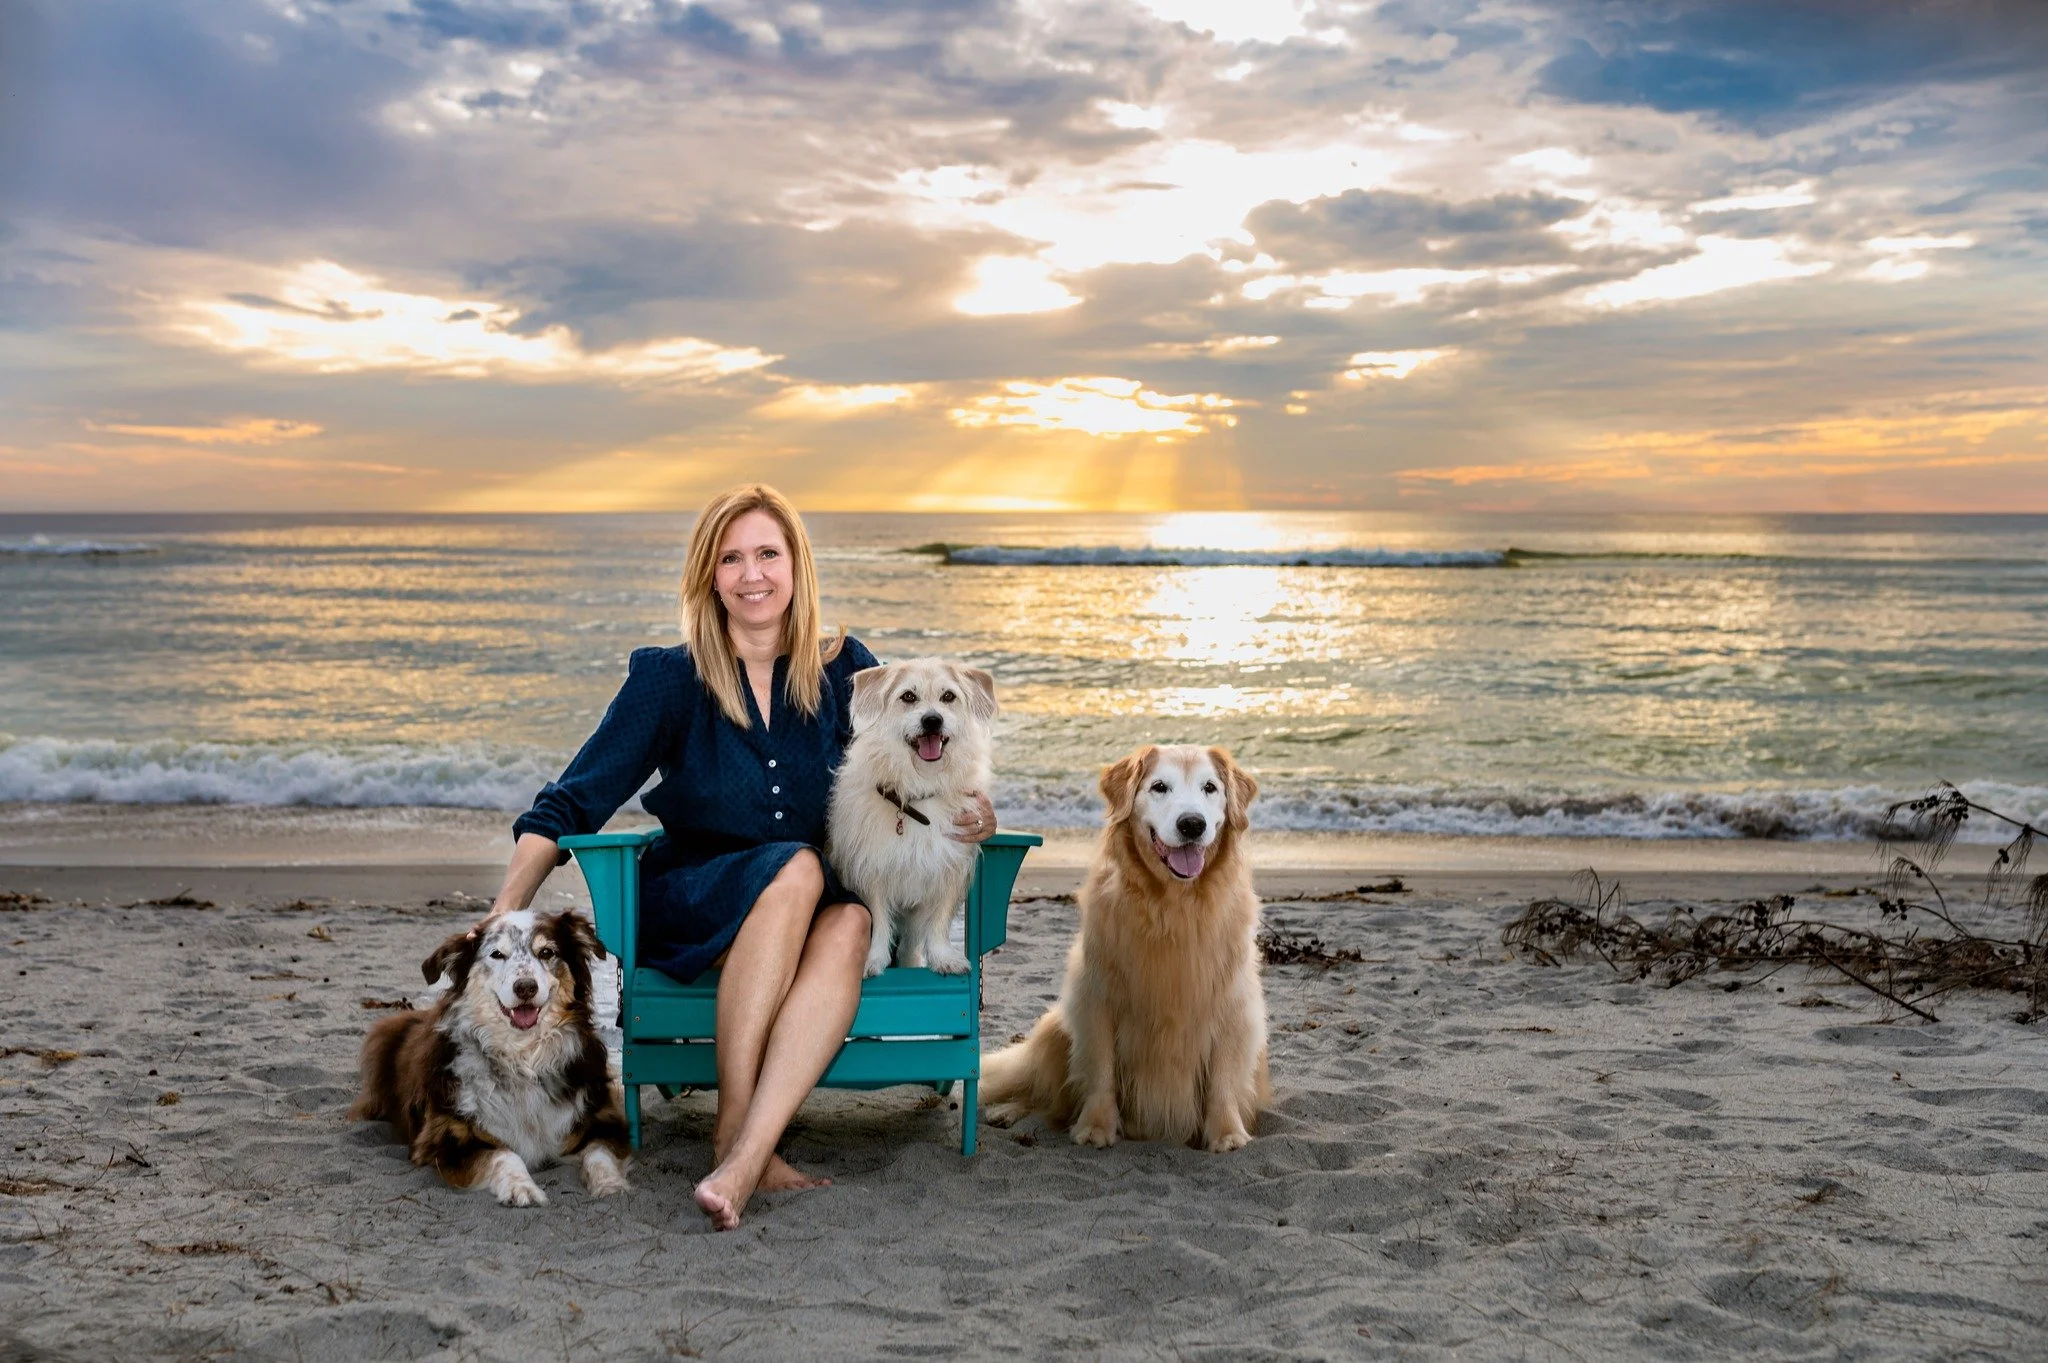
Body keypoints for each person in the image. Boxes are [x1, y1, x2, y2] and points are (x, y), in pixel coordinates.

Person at [484, 483, 997, 1230]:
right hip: (696, 898)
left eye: (767, 553)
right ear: (707, 575)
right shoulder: (669, 679)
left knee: (849, 921)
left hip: (812, 900)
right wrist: (503, 914)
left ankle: (751, 1154)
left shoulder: (841, 667)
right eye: (731, 558)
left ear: (796, 566)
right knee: (800, 867)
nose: (751, 573)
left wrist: (972, 810)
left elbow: (912, 770)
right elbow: (571, 801)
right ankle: (731, 1129)